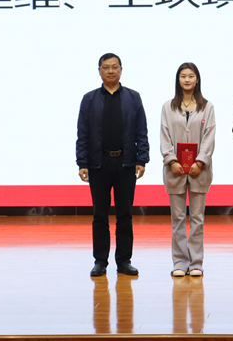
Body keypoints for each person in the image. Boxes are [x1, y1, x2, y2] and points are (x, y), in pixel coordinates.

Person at [77, 53, 149, 277]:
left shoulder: (133, 97)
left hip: (126, 163)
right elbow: (83, 133)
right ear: (99, 70)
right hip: (98, 164)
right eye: (106, 67)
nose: (110, 71)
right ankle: (100, 261)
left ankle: (124, 261)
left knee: (124, 214)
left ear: (121, 69)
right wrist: (82, 162)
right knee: (100, 215)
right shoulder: (89, 99)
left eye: (114, 67)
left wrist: (141, 159)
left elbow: (141, 130)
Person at [160, 62, 216, 278]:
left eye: (191, 76)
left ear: (197, 79)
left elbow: (210, 136)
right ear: (178, 79)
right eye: (183, 76)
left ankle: (196, 263)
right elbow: (164, 135)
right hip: (174, 171)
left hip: (199, 171)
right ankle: (179, 262)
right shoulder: (168, 107)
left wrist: (200, 161)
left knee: (197, 219)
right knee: (178, 219)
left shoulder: (207, 107)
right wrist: (171, 160)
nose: (187, 80)